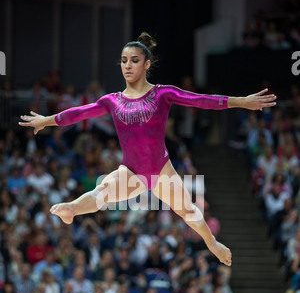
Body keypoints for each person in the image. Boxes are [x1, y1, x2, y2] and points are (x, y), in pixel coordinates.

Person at [19, 32, 277, 267]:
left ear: (146, 64)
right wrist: (46, 120)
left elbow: (201, 101)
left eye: (133, 60)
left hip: (162, 170)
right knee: (103, 191)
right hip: (131, 171)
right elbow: (78, 113)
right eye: (123, 61)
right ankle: (71, 209)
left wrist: (241, 101)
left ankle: (213, 244)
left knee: (187, 210)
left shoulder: (162, 93)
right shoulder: (111, 101)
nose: (127, 66)